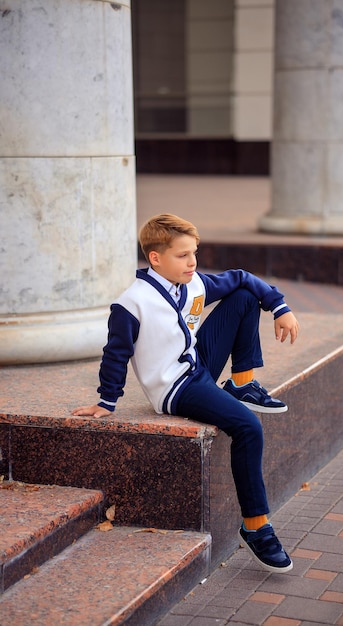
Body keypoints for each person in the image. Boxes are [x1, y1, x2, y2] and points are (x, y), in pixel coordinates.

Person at [72, 213, 299, 573]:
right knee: (248, 428)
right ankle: (256, 527)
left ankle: (241, 382)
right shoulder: (132, 303)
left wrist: (279, 306)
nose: (192, 262)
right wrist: (106, 400)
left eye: (194, 252)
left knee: (242, 296)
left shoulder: (193, 283)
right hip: (176, 388)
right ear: (156, 258)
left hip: (199, 365)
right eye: (182, 255)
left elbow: (242, 278)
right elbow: (116, 352)